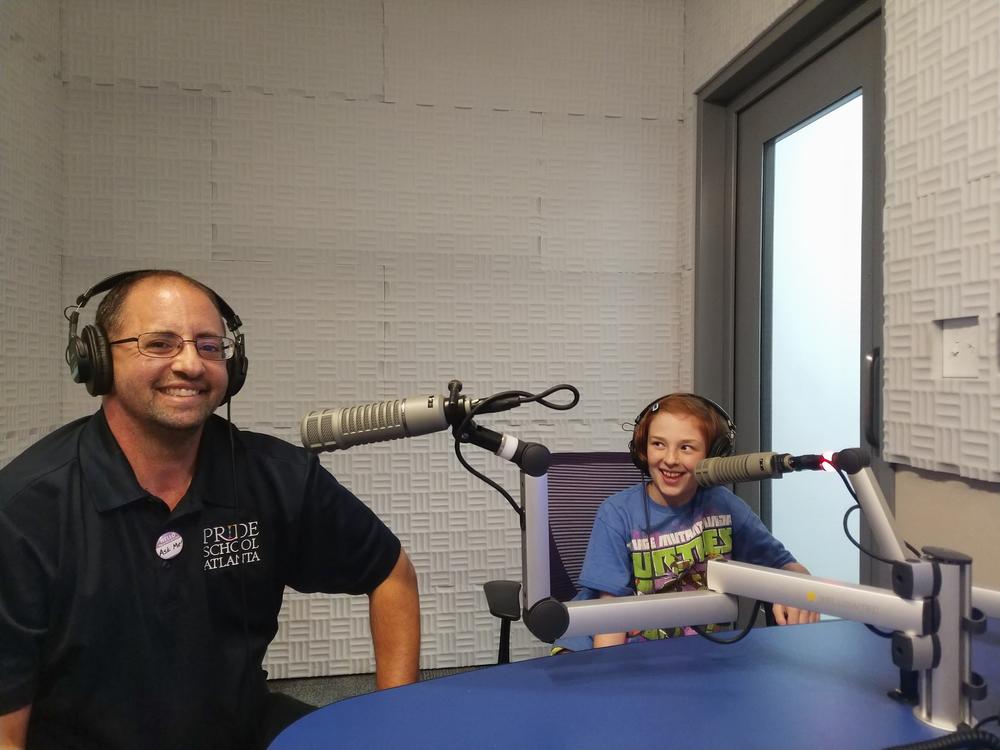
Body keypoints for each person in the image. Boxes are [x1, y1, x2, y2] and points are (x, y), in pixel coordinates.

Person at [0, 270, 420, 750]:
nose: (190, 364)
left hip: (237, 731)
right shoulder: (23, 512)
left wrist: (396, 723)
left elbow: (391, 574)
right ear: (95, 359)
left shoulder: (275, 476)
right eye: (159, 343)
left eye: (208, 345)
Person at [562, 393, 818, 651]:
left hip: (695, 659)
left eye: (686, 447)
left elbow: (786, 566)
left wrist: (798, 591)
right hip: (622, 654)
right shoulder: (617, 514)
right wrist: (608, 682)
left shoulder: (723, 506)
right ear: (642, 448)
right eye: (658, 444)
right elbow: (610, 618)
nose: (670, 459)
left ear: (713, 454)